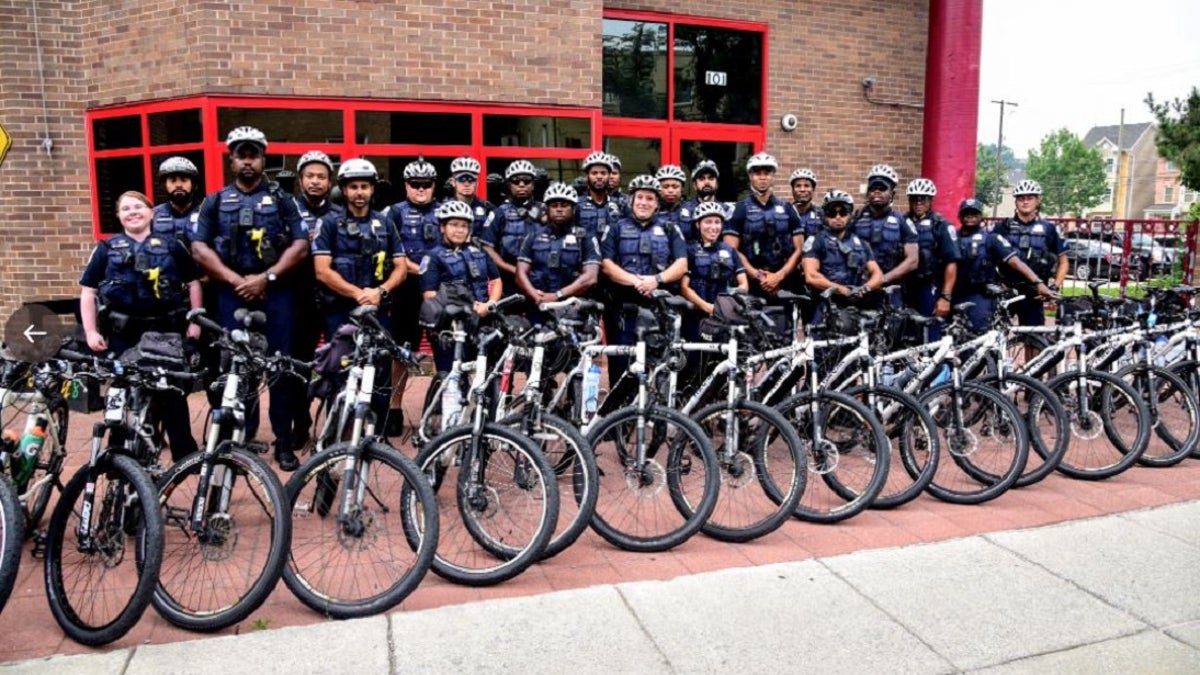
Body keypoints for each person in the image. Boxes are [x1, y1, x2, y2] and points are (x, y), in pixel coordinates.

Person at [191, 126, 308, 471]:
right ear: (231, 159)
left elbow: (301, 245)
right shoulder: (213, 201)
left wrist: (266, 277)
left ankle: (283, 442)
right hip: (231, 293)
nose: (247, 161)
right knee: (236, 368)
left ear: (262, 158)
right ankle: (243, 440)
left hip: (276, 293)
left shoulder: (284, 200)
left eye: (253, 155)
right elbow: (199, 247)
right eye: (241, 155)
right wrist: (233, 279)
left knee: (280, 368)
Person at [80, 191, 202, 463]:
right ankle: (116, 458)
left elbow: (193, 282)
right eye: (126, 208)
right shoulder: (106, 249)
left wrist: (194, 319)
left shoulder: (172, 246)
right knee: (120, 393)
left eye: (138, 206)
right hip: (123, 334)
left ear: (151, 212)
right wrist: (90, 331)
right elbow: (88, 292)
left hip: (165, 332)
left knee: (172, 392)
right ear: (119, 215)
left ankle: (186, 458)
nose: (132, 212)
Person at [312, 158, 407, 425]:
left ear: (372, 189)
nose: (359, 192)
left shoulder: (386, 223)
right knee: (340, 374)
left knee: (379, 372)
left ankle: (375, 436)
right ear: (343, 190)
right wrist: (357, 293)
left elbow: (400, 267)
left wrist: (380, 291)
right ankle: (335, 438)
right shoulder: (329, 223)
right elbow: (322, 269)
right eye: (353, 186)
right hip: (340, 312)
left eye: (365, 186)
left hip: (378, 310)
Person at [600, 174, 688, 389]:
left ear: (656, 203)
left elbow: (681, 264)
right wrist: (635, 281)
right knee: (621, 367)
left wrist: (656, 280)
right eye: (640, 197)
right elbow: (606, 265)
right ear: (631, 200)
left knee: (660, 366)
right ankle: (619, 418)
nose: (644, 202)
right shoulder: (616, 228)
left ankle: (656, 417)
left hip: (658, 309)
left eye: (649, 198)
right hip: (623, 310)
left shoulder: (670, 228)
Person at [383, 157, 441, 435]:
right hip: (406, 291)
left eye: (426, 184)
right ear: (406, 185)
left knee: (444, 353)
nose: (421, 189)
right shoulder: (393, 213)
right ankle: (394, 409)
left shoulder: (445, 211)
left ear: (433, 186)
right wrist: (425, 270)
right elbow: (395, 255)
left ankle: (439, 409)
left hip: (438, 292)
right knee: (401, 353)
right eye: (415, 184)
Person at [291, 149, 343, 445]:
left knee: (338, 363)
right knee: (298, 365)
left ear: (329, 181)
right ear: (300, 180)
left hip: (333, 298)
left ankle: (334, 425)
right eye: (309, 176)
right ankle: (300, 424)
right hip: (299, 299)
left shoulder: (339, 214)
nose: (315, 182)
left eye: (321, 177)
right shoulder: (289, 211)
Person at [723, 152, 805, 332]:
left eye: (766, 172)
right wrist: (759, 277)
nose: (762, 177)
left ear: (773, 175)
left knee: (783, 339)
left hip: (783, 284)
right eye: (757, 172)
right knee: (752, 340)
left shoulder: (788, 209)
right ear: (750, 176)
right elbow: (731, 249)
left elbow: (799, 249)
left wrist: (779, 276)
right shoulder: (739, 209)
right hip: (752, 285)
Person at [420, 200, 502, 375]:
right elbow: (430, 295)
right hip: (449, 327)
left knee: (488, 374)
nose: (459, 230)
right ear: (442, 227)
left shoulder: (479, 251)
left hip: (480, 321)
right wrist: (470, 308)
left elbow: (496, 280)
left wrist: (490, 304)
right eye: (454, 225)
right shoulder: (433, 256)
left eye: (464, 226)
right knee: (451, 377)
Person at [953, 198, 1053, 333]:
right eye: (966, 213)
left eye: (974, 213)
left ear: (981, 217)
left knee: (977, 338)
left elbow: (1015, 262)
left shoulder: (991, 239)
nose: (970, 217)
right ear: (960, 216)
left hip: (980, 295)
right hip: (954, 293)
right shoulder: (951, 238)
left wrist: (1037, 282)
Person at [515, 181, 600, 320]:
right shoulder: (533, 236)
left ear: (573, 209)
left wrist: (557, 296)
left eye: (564, 205)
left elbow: (591, 277)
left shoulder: (586, 237)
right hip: (538, 307)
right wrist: (536, 297)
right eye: (554, 205)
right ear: (547, 209)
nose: (559, 209)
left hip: (572, 309)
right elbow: (520, 274)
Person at [802, 190, 884, 328]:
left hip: (858, 307)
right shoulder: (816, 240)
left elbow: (878, 274)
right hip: (827, 307)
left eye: (843, 212)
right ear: (825, 216)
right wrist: (840, 289)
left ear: (850, 214)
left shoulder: (861, 243)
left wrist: (866, 288)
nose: (838, 217)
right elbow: (811, 276)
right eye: (832, 212)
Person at [992, 179, 1068, 327]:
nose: (1025, 202)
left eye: (1029, 198)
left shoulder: (1049, 229)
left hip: (1035, 293)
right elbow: (990, 257)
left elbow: (1063, 261)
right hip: (1007, 290)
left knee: (1034, 339)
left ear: (1038, 200)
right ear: (1015, 202)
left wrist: (1054, 287)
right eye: (1021, 198)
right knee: (995, 335)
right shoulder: (1002, 227)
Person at [849, 163, 917, 307]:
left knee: (893, 328)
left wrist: (882, 279)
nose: (877, 192)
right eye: (873, 188)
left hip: (890, 288)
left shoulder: (902, 222)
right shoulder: (855, 219)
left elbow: (912, 260)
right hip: (860, 287)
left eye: (882, 188)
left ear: (892, 193)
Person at [901, 178, 960, 341]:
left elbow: (951, 262)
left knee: (932, 336)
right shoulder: (902, 222)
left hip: (930, 287)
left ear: (931, 200)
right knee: (905, 336)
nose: (918, 202)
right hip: (905, 288)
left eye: (923, 198)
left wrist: (945, 297)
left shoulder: (940, 225)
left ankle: (940, 366)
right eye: (914, 198)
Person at [480, 160, 543, 299]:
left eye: (526, 181)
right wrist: (512, 269)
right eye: (516, 181)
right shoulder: (499, 212)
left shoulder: (545, 210)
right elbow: (486, 247)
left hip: (539, 278)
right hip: (509, 278)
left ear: (533, 184)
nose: (521, 185)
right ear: (509, 184)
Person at [152, 156, 202, 244]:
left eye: (184, 180)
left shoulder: (206, 212)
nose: (179, 185)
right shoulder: (153, 215)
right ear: (164, 185)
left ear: (193, 184)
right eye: (173, 180)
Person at [575, 151, 622, 240]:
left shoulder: (620, 205)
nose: (599, 176)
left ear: (609, 175)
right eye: (594, 173)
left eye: (603, 173)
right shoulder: (576, 204)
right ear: (587, 176)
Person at [679, 160, 727, 245]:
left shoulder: (727, 210)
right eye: (702, 179)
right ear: (694, 185)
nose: (707, 182)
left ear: (717, 184)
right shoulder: (683, 210)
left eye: (711, 178)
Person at [445, 155, 493, 238]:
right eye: (462, 179)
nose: (467, 184)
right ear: (453, 182)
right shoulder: (444, 207)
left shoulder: (487, 208)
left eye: (471, 179)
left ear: (477, 183)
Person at [788, 168, 824, 241]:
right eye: (798, 186)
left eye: (806, 186)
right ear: (792, 190)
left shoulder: (821, 215)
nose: (802, 189)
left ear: (813, 190)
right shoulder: (785, 213)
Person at [654, 164, 688, 237]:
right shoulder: (651, 211)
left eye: (675, 187)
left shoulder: (691, 210)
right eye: (665, 187)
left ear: (682, 189)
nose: (670, 190)